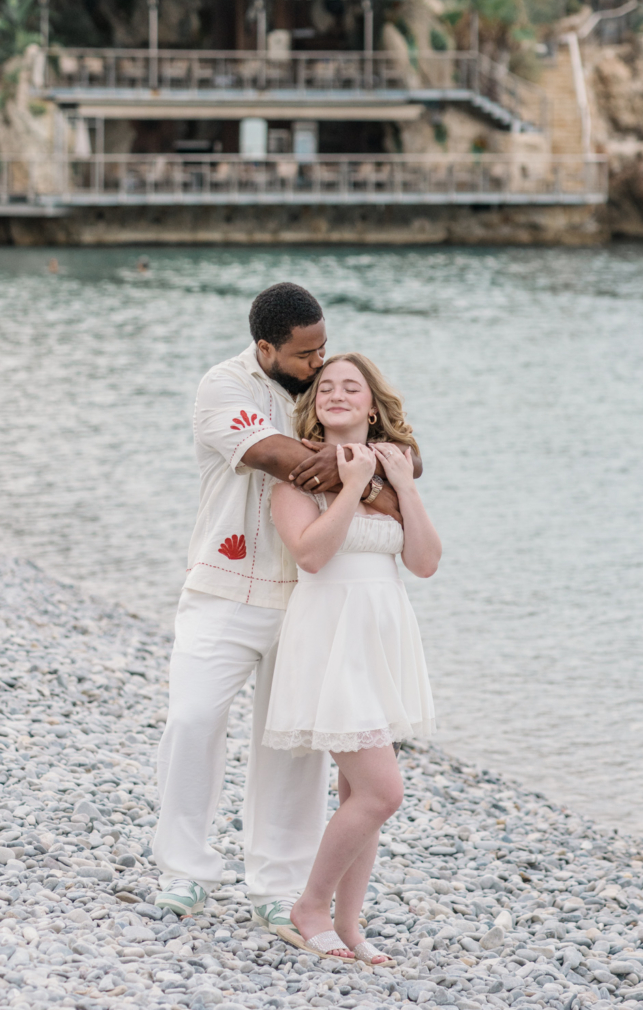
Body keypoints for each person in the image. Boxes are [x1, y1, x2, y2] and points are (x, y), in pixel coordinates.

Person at [152, 283, 417, 931]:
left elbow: (406, 448)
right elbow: (277, 458)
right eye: (304, 354)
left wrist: (378, 462)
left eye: (323, 348)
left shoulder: (324, 385)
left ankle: (276, 882)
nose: (318, 364)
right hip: (222, 586)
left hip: (307, 600)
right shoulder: (224, 386)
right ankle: (184, 872)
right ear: (265, 348)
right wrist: (361, 465)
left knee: (294, 748)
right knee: (191, 718)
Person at [263, 353, 441, 963]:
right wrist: (350, 485)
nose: (338, 393)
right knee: (382, 792)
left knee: (357, 796)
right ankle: (309, 907)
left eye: (352, 387)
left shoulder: (395, 477)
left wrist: (404, 487)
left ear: (372, 405)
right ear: (314, 404)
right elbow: (311, 556)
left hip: (382, 642)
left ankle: (348, 924)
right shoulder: (295, 478)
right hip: (329, 638)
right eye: (327, 386)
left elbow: (423, 562)